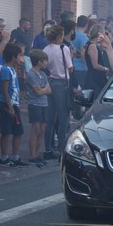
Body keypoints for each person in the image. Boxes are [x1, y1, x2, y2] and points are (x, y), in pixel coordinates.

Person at [43, 25, 73, 159]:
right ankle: (62, 149)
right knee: (63, 117)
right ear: (59, 36)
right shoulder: (63, 49)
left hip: (50, 82)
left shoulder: (46, 49)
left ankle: (48, 148)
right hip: (62, 83)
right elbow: (70, 68)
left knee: (50, 118)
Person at [0, 43, 29, 168]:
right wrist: (10, 107)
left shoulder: (13, 70)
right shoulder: (5, 70)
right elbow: (4, 90)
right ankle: (4, 158)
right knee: (6, 131)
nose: (21, 59)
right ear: (13, 57)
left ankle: (15, 156)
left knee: (18, 131)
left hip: (14, 103)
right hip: (7, 104)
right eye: (19, 56)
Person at [26, 49, 52, 165]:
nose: (46, 63)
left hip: (44, 104)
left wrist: (43, 90)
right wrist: (43, 90)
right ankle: (32, 155)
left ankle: (36, 154)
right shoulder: (31, 74)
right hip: (35, 104)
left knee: (42, 130)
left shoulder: (43, 74)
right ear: (39, 62)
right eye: (45, 61)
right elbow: (38, 92)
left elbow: (49, 90)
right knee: (35, 129)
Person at [83, 24, 113, 99]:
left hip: (92, 75)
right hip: (95, 78)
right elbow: (95, 65)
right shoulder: (93, 46)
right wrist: (105, 69)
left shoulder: (89, 44)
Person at [71, 15, 90, 89]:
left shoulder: (72, 34)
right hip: (81, 68)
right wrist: (87, 65)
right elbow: (83, 53)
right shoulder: (83, 37)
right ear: (86, 24)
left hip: (72, 66)